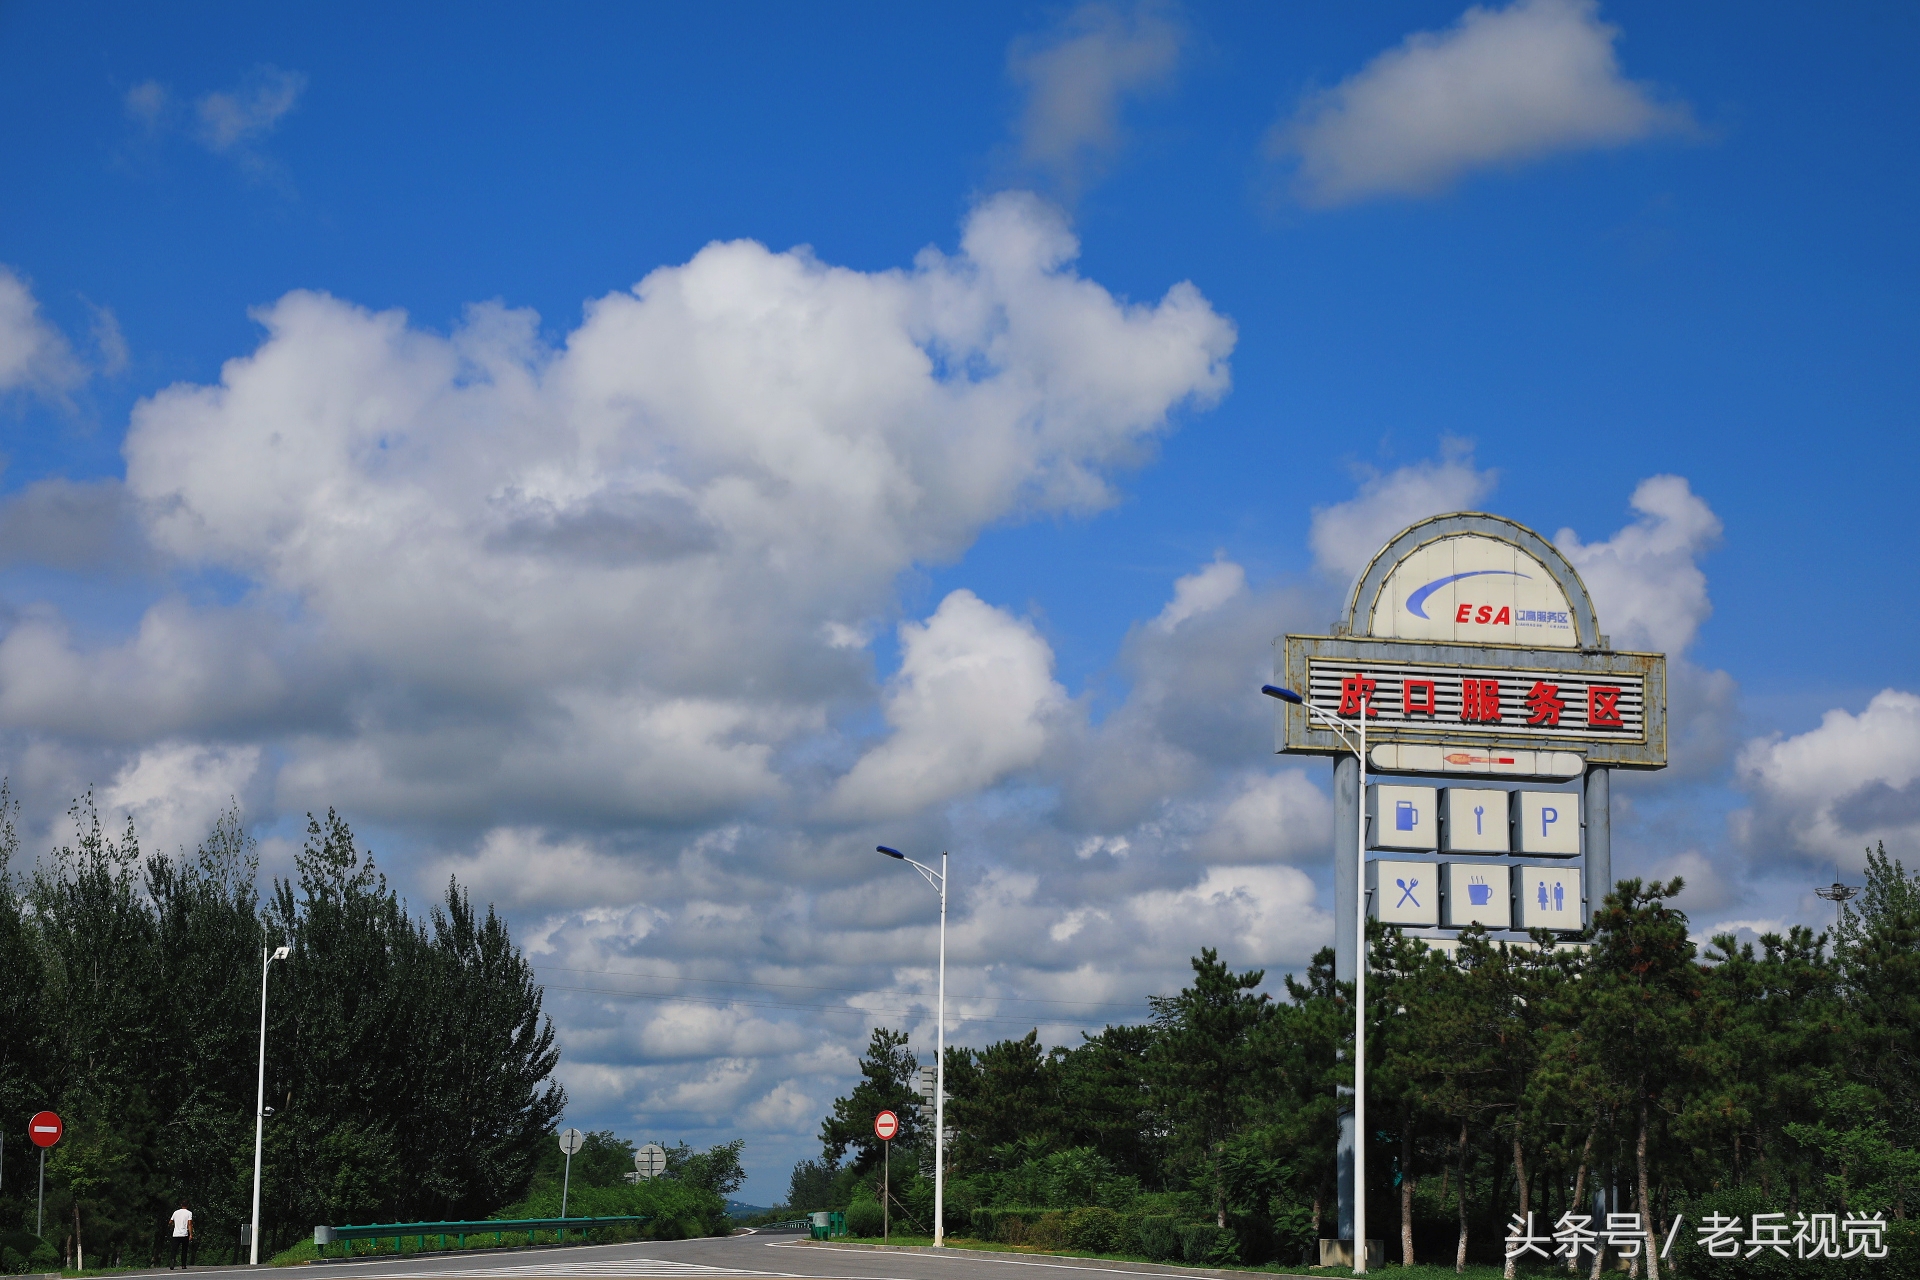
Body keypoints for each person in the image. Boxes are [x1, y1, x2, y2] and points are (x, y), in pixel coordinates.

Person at [168, 1201, 193, 1270]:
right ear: (188, 1205)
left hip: (176, 1234)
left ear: (181, 1205)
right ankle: (183, 1264)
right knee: (184, 1250)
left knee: (174, 1249)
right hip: (184, 1234)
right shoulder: (189, 1213)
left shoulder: (175, 1212)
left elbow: (170, 1222)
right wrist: (191, 1234)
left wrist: (172, 1227)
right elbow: (189, 1224)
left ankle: (172, 1260)